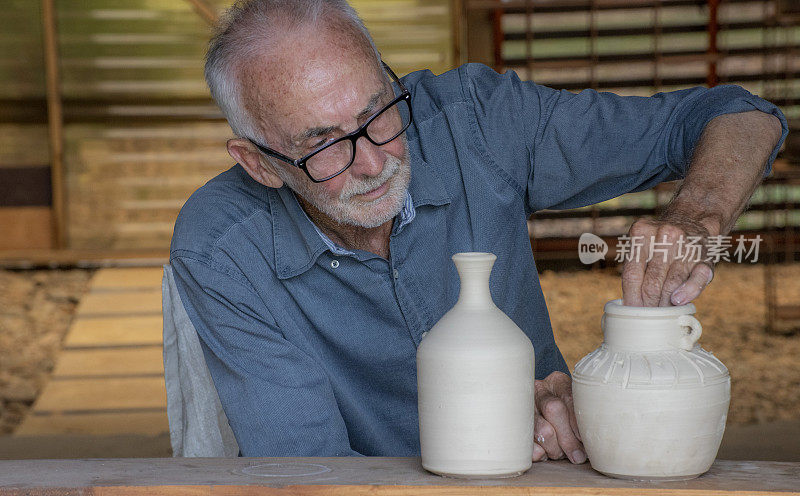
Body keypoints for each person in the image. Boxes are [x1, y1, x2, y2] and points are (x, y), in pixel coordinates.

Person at [170, 0, 787, 460]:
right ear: (259, 164)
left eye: (377, 112)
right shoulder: (223, 250)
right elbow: (313, 475)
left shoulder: (476, 123)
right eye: (324, 146)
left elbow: (738, 116)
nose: (375, 161)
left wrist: (697, 216)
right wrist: (487, 442)